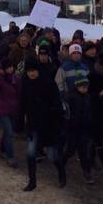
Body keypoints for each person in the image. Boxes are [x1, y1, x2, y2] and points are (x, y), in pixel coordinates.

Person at [19, 56, 63, 192]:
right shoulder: (25, 83)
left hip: (49, 125)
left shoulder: (48, 83)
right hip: (33, 124)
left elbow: (57, 106)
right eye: (29, 71)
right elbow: (22, 105)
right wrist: (20, 122)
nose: (31, 73)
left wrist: (50, 114)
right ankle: (32, 182)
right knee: (30, 153)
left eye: (33, 71)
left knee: (52, 155)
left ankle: (61, 173)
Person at [0, 60, 20, 167]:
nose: (10, 69)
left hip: (13, 109)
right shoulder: (0, 79)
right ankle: (10, 156)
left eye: (11, 67)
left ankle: (2, 149)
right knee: (9, 132)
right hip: (2, 110)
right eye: (8, 67)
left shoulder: (15, 78)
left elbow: (19, 92)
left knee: (8, 132)